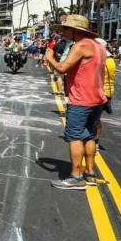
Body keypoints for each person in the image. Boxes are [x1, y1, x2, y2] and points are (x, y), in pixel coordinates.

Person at [45, 15, 107, 190]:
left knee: (75, 137)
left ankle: (76, 176)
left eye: (65, 29)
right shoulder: (98, 46)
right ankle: (90, 173)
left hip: (81, 100)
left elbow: (62, 68)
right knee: (90, 137)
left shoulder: (81, 46)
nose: (63, 32)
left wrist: (49, 57)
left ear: (75, 30)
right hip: (97, 99)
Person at [95, 37, 115, 156]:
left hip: (101, 92)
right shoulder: (109, 59)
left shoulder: (104, 60)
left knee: (95, 119)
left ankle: (94, 143)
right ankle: (95, 142)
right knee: (96, 118)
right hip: (106, 92)